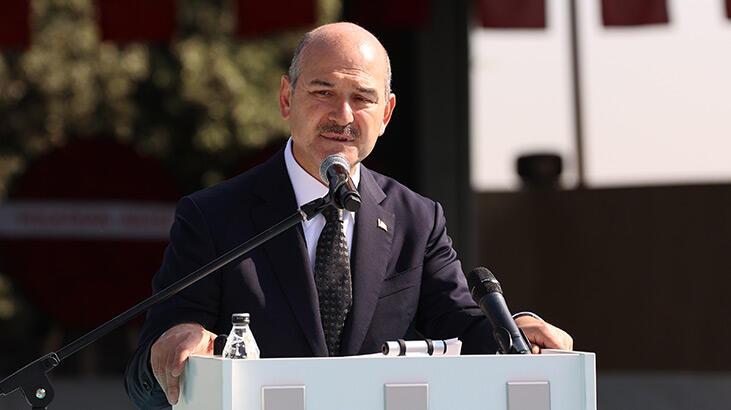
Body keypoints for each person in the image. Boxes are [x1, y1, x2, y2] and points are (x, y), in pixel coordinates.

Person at [124, 22, 573, 409]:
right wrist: (171, 349)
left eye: (362, 98)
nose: (342, 115)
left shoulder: (417, 219)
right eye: (323, 92)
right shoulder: (213, 216)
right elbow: (144, 383)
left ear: (386, 113)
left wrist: (518, 332)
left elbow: (465, 331)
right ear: (286, 98)